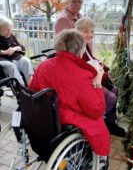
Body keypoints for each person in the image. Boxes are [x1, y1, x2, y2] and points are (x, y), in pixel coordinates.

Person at [29, 29, 110, 159]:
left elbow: (33, 89)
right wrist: (97, 83)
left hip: (44, 115)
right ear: (80, 50)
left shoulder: (44, 65)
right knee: (98, 122)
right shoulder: (81, 74)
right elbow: (96, 110)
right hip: (64, 119)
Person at [75, 17, 126, 137]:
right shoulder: (76, 47)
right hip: (85, 83)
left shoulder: (84, 45)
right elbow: (81, 68)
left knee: (115, 90)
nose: (90, 35)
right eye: (86, 31)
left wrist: (103, 66)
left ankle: (110, 121)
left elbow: (91, 59)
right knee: (111, 98)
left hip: (92, 77)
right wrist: (100, 74)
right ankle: (104, 123)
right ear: (77, 31)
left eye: (92, 32)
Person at [0, 16, 34, 85]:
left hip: (15, 58)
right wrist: (5, 52)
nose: (9, 32)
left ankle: (31, 85)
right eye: (7, 30)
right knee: (11, 66)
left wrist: (15, 48)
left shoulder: (11, 36)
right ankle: (20, 88)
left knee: (26, 61)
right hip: (1, 60)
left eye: (10, 29)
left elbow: (21, 47)